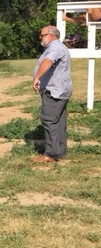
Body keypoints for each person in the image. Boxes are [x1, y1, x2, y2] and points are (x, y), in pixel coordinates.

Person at [32, 25, 73, 162]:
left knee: (49, 120)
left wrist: (37, 77)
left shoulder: (55, 48)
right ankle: (59, 150)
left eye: (42, 35)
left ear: (50, 35)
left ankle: (51, 154)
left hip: (54, 91)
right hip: (60, 90)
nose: (40, 38)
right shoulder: (58, 47)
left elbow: (48, 61)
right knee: (58, 121)